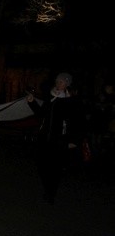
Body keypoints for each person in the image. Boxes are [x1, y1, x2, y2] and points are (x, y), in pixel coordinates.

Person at [26, 72, 82, 205]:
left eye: (62, 82)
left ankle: (50, 193)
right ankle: (48, 189)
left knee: (55, 168)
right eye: (57, 81)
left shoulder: (71, 100)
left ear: (67, 84)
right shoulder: (50, 97)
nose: (58, 84)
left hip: (60, 140)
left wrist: (73, 140)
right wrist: (32, 102)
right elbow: (41, 114)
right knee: (42, 165)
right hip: (45, 138)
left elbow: (76, 121)